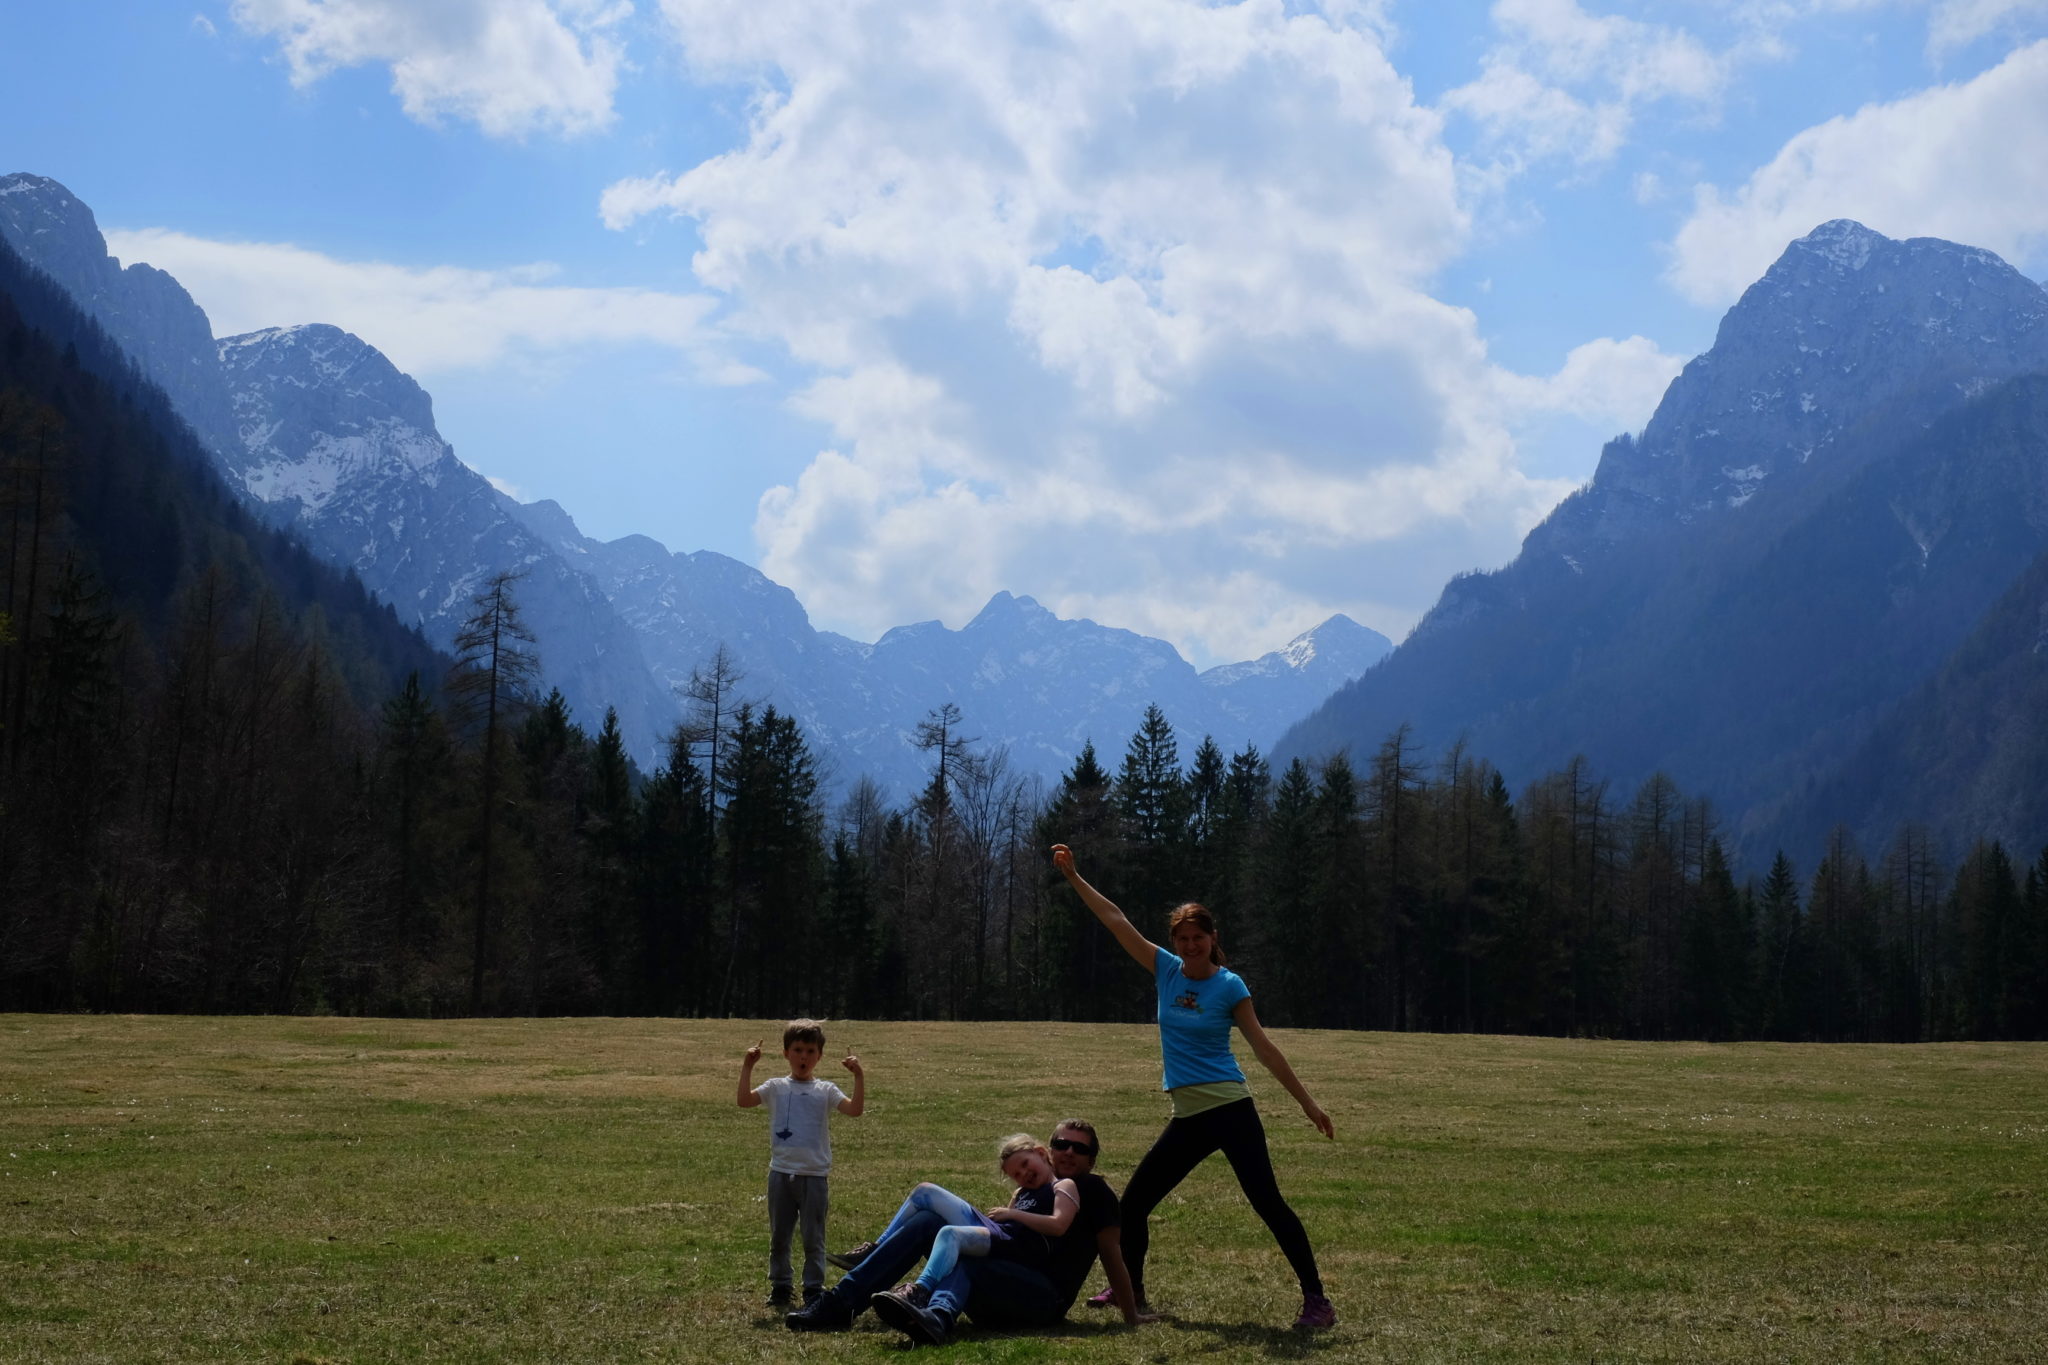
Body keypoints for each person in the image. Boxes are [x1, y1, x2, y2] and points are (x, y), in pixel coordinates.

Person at [1051, 843, 1338, 1329]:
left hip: (1230, 1111)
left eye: (1197, 937)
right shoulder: (1164, 970)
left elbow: (1264, 1049)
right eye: (1182, 938)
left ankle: (1317, 1302)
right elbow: (1116, 919)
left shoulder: (1229, 986)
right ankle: (1131, 1293)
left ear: (1212, 937)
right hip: (1188, 1119)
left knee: (1268, 1204)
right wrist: (1075, 877)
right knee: (1134, 1205)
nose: (1189, 945)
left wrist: (1308, 1104)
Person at [784, 1119, 1147, 1345]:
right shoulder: (1029, 1190)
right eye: (1061, 1143)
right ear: (1047, 1149)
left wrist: (1132, 1316)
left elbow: (1111, 1253)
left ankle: (937, 1315)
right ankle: (840, 1304)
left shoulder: (1093, 1190)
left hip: (1042, 1299)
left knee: (971, 1257)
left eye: (1079, 1148)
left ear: (1092, 1157)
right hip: (1002, 1289)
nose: (1068, 1151)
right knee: (929, 1223)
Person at [868, 1131, 1074, 1339]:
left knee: (950, 1234)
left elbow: (1059, 1225)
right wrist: (1006, 1214)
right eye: (1017, 1175)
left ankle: (921, 1291)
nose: (1024, 1174)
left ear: (1040, 1153)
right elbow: (1005, 1224)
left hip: (1018, 1250)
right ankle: (877, 1249)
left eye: (1025, 1164)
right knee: (926, 1193)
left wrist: (1013, 1213)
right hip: (1002, 1242)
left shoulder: (1062, 1186)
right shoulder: (1020, 1193)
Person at [737, 1018, 865, 1307]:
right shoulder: (776, 1087)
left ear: (819, 1056)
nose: (803, 1057)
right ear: (786, 1053)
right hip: (781, 1173)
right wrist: (748, 1065)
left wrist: (858, 1076)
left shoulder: (826, 1090)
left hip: (814, 1176)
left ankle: (813, 1289)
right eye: (797, 1050)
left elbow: (855, 1110)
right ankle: (781, 1287)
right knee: (779, 1236)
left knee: (813, 1237)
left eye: (810, 1051)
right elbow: (744, 1100)